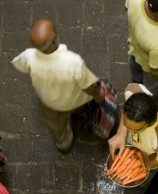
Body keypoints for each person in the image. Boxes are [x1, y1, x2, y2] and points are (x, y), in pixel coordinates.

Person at [11, 19, 106, 154]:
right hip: (74, 100)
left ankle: (64, 144)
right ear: (55, 40)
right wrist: (98, 96)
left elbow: (22, 66)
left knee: (56, 125)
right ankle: (79, 116)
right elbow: (86, 86)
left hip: (49, 102)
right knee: (81, 107)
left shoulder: (29, 56)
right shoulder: (73, 62)